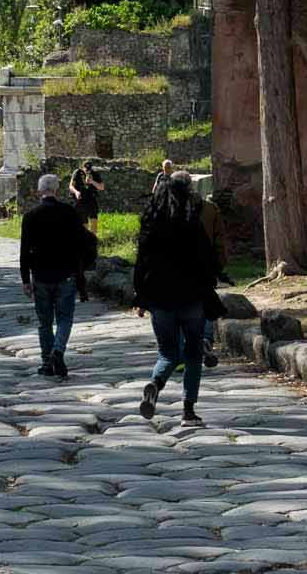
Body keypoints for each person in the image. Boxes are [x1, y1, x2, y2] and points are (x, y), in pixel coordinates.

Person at [132, 173, 220, 425]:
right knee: (192, 354)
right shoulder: (192, 224)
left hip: (160, 301)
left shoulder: (150, 228)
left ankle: (155, 384)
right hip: (191, 298)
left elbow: (141, 266)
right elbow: (208, 259)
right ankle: (188, 411)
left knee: (167, 354)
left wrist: (140, 297)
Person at [19, 174, 88, 379]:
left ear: (40, 191)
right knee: (65, 318)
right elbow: (80, 244)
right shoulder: (69, 212)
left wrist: (24, 279)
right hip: (65, 273)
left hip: (40, 275)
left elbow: (24, 251)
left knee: (44, 321)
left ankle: (47, 363)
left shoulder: (31, 215)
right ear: (57, 190)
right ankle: (58, 350)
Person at [190, 176, 230, 368]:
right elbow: (219, 239)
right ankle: (206, 339)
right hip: (206, 266)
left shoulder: (169, 209)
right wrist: (220, 264)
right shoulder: (210, 209)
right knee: (205, 304)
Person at [69, 163, 106, 235]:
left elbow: (102, 187)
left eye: (89, 170)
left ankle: (93, 238)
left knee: (93, 218)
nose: (87, 172)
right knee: (83, 221)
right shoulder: (77, 172)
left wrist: (92, 182)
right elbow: (71, 186)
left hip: (91, 199)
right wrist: (76, 192)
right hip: (80, 199)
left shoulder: (95, 174)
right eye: (86, 170)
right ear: (82, 168)